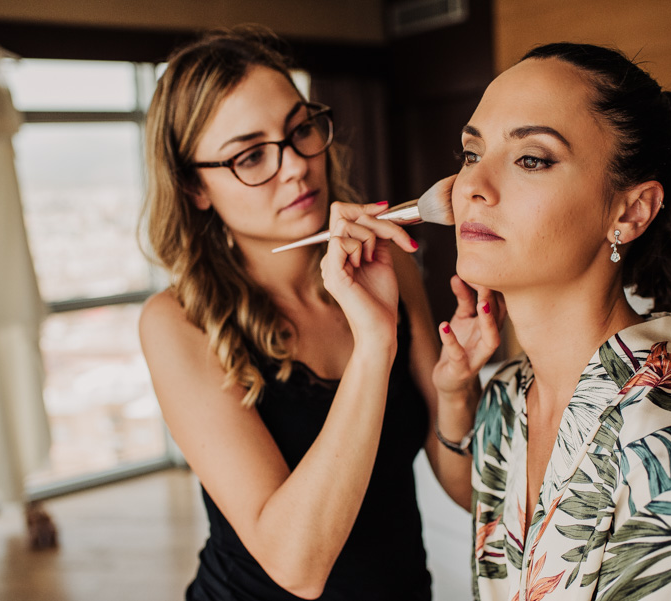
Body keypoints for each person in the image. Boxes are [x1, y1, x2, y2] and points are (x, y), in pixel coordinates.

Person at [419, 42, 671, 599]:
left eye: (531, 159)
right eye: (471, 154)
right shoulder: (511, 393)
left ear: (630, 211)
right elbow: (486, 503)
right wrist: (455, 393)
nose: (471, 187)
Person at [138, 25, 464, 600]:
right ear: (194, 188)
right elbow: (297, 564)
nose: (294, 167)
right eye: (251, 155)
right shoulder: (177, 323)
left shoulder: (391, 266)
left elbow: (465, 489)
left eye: (299, 130)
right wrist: (373, 345)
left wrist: (459, 391)